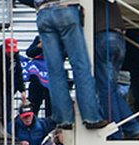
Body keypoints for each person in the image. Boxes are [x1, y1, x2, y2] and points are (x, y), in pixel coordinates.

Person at [32, 0, 107, 129]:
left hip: (43, 12)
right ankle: (91, 117)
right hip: (65, 7)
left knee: (54, 71)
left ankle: (64, 118)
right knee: (80, 66)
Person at [93, 0, 139, 139]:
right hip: (119, 37)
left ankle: (115, 132)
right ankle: (132, 127)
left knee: (105, 90)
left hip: (102, 35)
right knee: (111, 88)